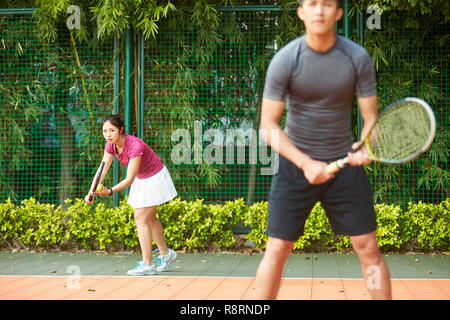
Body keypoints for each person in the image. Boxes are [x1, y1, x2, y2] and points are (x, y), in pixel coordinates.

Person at [255, 0, 392, 299]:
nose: (319, 10)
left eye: (327, 4)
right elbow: (268, 125)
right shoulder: (285, 59)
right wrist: (305, 163)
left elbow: (370, 117)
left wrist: (366, 145)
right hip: (294, 167)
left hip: (345, 168)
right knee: (277, 248)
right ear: (301, 12)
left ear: (338, 13)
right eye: (312, 4)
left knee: (367, 246)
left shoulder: (357, 57)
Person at [84, 114, 178, 276]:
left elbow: (129, 179)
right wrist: (91, 191)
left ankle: (148, 265)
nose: (108, 134)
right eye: (105, 131)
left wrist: (110, 191)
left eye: (112, 130)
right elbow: (102, 170)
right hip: (142, 179)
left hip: (155, 177)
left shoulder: (135, 146)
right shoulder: (111, 146)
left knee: (140, 218)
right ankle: (166, 254)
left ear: (120, 130)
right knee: (150, 219)